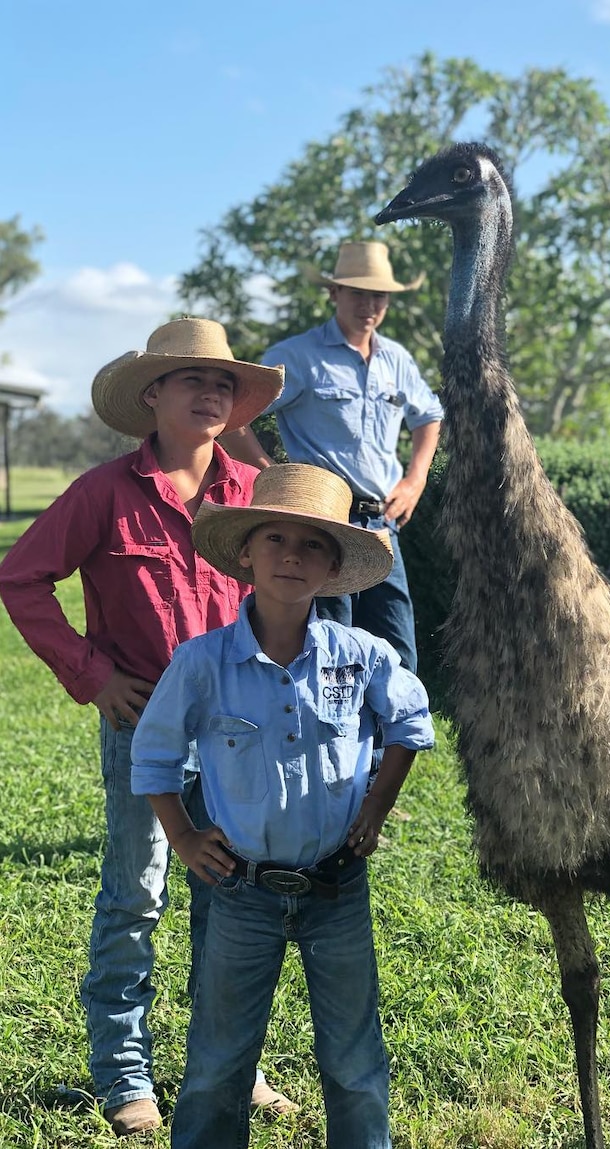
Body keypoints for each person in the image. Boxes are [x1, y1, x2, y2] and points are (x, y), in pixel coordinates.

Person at [0, 318, 290, 1137]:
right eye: (191, 379)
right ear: (151, 395)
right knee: (136, 895)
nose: (210, 392)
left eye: (224, 383)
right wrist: (94, 676)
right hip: (147, 730)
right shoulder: (103, 492)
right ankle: (126, 1072)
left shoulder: (252, 494)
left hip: (240, 732)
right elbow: (20, 578)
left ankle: (235, 1064)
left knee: (232, 897)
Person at [129, 463, 435, 1149]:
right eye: (275, 539)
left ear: (333, 567)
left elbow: (411, 723)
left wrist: (378, 806)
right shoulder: (202, 662)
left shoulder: (362, 656)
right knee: (216, 1063)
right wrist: (182, 835)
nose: (292, 556)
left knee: (355, 1062)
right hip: (240, 891)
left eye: (312, 544)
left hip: (337, 885)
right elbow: (152, 755)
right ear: (246, 552)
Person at [219, 240, 444, 674]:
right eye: (358, 292)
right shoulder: (297, 356)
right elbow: (234, 417)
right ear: (334, 293)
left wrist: (415, 481)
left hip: (382, 526)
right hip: (320, 524)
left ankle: (389, 743)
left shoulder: (396, 359)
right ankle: (327, 742)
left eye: (378, 295)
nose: (369, 304)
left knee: (398, 657)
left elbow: (428, 416)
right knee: (327, 652)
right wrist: (270, 473)